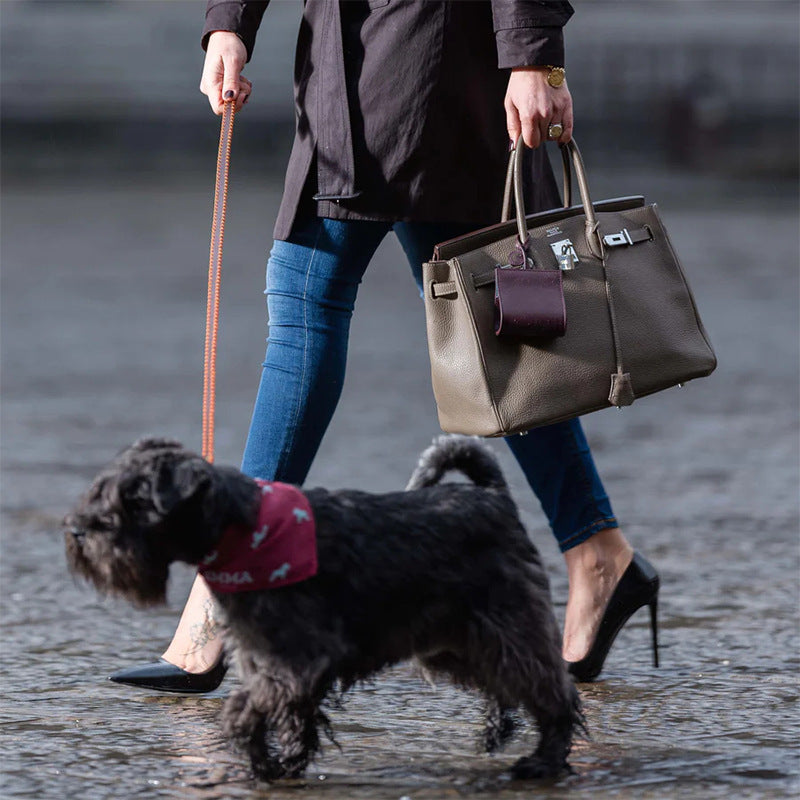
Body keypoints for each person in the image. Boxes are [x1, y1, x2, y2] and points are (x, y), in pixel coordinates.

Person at [111, 0, 659, 693]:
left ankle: (226, 581)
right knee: (491, 330)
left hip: (426, 57)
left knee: (314, 305)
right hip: (353, 60)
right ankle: (597, 552)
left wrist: (532, 56)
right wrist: (230, 21)